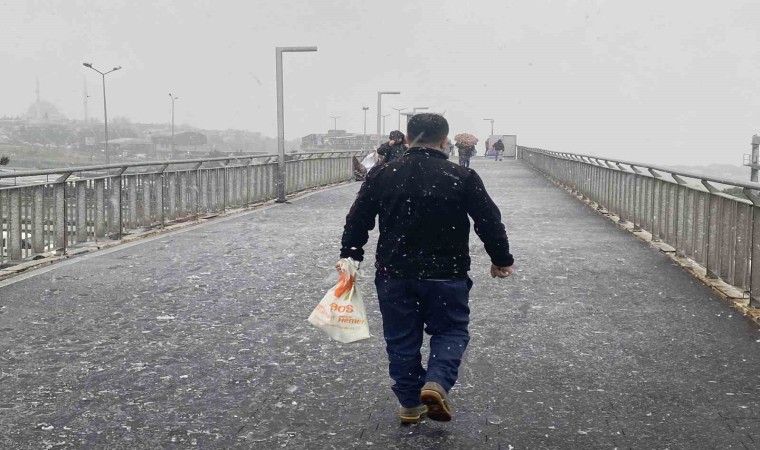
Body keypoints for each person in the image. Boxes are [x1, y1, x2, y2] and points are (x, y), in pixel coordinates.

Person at [339, 113, 515, 424]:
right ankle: (436, 382)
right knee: (450, 330)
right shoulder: (460, 176)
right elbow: (488, 221)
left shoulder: (383, 173)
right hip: (446, 274)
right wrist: (501, 259)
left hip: (395, 273)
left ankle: (409, 403)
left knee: (401, 338)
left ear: (407, 139)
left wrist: (351, 255)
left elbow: (358, 219)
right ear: (445, 141)